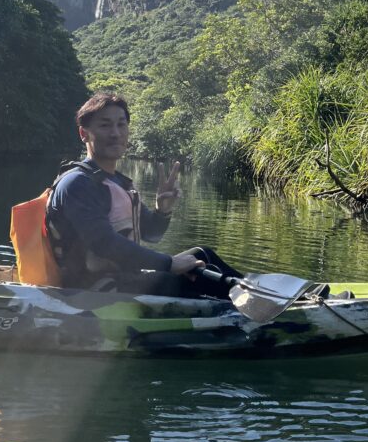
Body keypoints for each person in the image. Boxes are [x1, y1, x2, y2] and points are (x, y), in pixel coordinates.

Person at [46, 91, 242, 297]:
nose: (115, 133)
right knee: (197, 280)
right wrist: (169, 263)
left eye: (121, 124)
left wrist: (162, 211)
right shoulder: (77, 183)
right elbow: (104, 243)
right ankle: (255, 309)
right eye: (105, 125)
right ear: (84, 134)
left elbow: (151, 234)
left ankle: (262, 297)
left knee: (203, 255)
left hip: (126, 279)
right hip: (92, 289)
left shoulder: (119, 182)